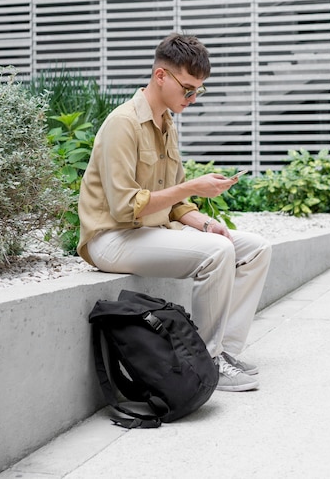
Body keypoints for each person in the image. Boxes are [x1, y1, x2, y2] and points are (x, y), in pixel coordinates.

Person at [78, 33, 272, 392]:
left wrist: (204, 221)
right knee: (217, 254)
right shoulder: (123, 123)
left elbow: (176, 203)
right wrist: (192, 187)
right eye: (188, 89)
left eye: (199, 90)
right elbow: (125, 207)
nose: (193, 98)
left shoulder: (167, 124)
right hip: (111, 238)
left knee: (255, 247)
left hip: (149, 232)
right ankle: (208, 362)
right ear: (161, 76)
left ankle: (225, 352)